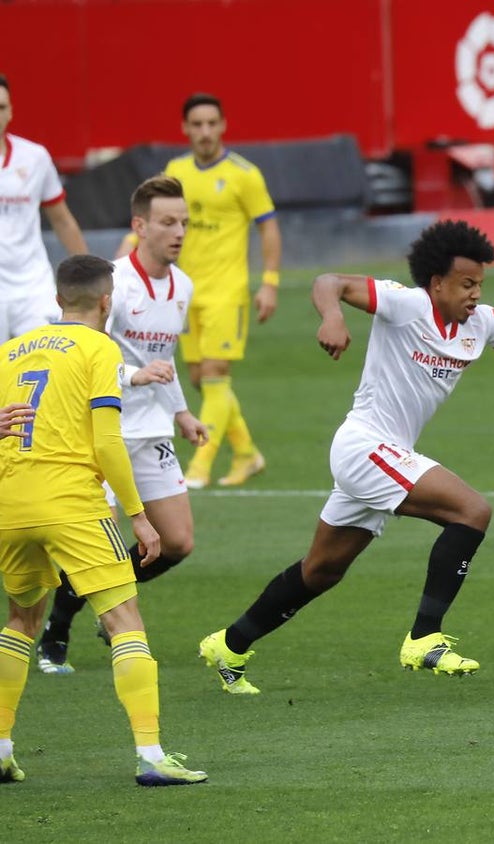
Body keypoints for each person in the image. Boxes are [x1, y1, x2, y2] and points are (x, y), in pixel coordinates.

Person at [197, 219, 494, 694]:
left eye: (480, 284)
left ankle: (229, 644)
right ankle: (424, 637)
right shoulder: (404, 305)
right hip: (365, 445)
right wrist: (333, 317)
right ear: (437, 282)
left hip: (387, 453)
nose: (475, 294)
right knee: (472, 510)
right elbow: (329, 283)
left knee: (321, 570)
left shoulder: (481, 323)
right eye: (467, 284)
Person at [0, 254, 206, 786]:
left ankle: (1, 748)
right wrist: (138, 517)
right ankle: (152, 754)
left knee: (21, 618)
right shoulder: (100, 347)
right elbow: (108, 439)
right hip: (73, 503)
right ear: (108, 302)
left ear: (56, 299)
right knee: (123, 619)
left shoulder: (11, 351)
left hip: (12, 503)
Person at [36, 175, 208, 675]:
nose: (178, 232)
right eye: (168, 222)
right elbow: (77, 354)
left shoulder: (184, 285)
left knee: (177, 542)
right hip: (101, 427)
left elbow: (163, 357)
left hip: (152, 428)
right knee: (97, 546)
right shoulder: (111, 283)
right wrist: (134, 376)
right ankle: (56, 632)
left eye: (184, 223)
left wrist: (180, 411)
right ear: (140, 226)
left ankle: (101, 605)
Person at [117, 92, 281, 489]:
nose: (205, 132)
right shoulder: (176, 171)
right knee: (195, 377)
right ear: (185, 129)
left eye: (212, 123)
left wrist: (270, 283)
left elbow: (268, 227)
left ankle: (199, 467)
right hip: (181, 292)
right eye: (197, 124)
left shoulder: (244, 174)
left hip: (227, 290)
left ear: (223, 125)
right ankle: (246, 454)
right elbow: (155, 218)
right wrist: (129, 245)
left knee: (215, 375)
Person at [0, 73, 88, 341]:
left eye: (1, 107)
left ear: (12, 110)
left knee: (46, 361)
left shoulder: (35, 157)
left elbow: (61, 220)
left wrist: (90, 273)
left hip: (32, 286)